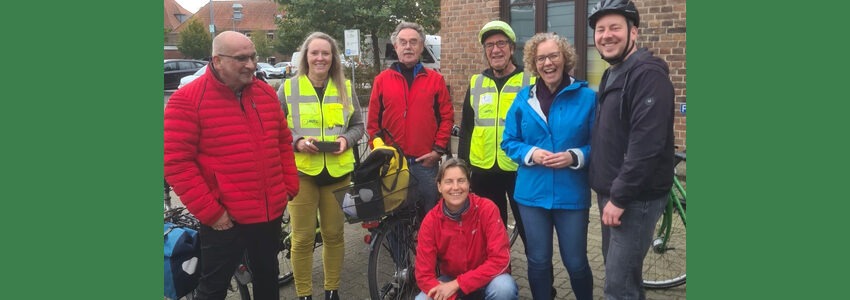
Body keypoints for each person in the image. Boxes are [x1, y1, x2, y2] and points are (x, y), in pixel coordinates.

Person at [164, 31, 299, 300]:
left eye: (253, 56)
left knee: (268, 280)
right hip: (225, 220)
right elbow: (176, 163)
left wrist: (288, 187)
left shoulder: (265, 93)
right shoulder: (187, 100)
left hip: (268, 213)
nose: (251, 64)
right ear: (217, 60)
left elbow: (283, 142)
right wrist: (212, 213)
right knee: (213, 288)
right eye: (241, 58)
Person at [587, 1, 676, 299]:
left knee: (619, 287)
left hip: (634, 199)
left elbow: (646, 145)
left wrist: (620, 197)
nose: (606, 35)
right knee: (620, 276)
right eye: (600, 29)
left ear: (633, 32)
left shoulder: (647, 75)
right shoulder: (613, 73)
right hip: (614, 195)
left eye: (614, 27)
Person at [500, 32, 596, 300]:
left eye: (553, 56)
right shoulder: (523, 99)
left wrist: (574, 156)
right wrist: (531, 153)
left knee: (576, 261)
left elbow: (599, 144)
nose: (548, 63)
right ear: (534, 63)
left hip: (572, 194)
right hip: (531, 194)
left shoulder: (587, 98)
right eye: (541, 58)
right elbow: (508, 141)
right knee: (538, 261)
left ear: (565, 58)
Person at [278, 32, 365, 300]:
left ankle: (331, 290)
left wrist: (345, 139)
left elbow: (358, 126)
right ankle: (304, 293)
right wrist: (297, 141)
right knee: (302, 239)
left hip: (337, 172)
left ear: (333, 58)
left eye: (325, 53)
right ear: (305, 56)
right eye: (314, 53)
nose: (320, 58)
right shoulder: (288, 88)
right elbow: (276, 127)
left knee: (334, 235)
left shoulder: (345, 88)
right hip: (302, 173)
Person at [457, 20, 531, 249]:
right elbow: (467, 128)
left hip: (520, 170)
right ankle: (497, 281)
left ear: (511, 48)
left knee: (532, 236)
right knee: (490, 235)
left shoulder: (530, 81)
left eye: (501, 43)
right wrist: (463, 169)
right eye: (489, 45)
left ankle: (543, 286)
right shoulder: (476, 83)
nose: (495, 49)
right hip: (483, 171)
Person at [367, 21, 453, 218]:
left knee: (428, 218)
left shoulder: (435, 80)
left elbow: (447, 118)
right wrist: (380, 152)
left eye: (413, 42)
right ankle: (398, 249)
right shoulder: (382, 80)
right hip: (392, 165)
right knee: (395, 219)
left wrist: (438, 150)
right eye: (403, 42)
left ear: (421, 47)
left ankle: (425, 249)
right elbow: (373, 125)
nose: (408, 47)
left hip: (424, 164)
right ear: (395, 47)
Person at [415, 158, 518, 300]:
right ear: (439, 186)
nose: (455, 187)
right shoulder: (430, 221)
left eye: (461, 180)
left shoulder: (487, 209)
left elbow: (500, 260)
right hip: (450, 280)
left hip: (486, 278)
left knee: (504, 288)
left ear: (469, 184)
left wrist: (458, 283)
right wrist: (450, 293)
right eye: (449, 181)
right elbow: (424, 274)